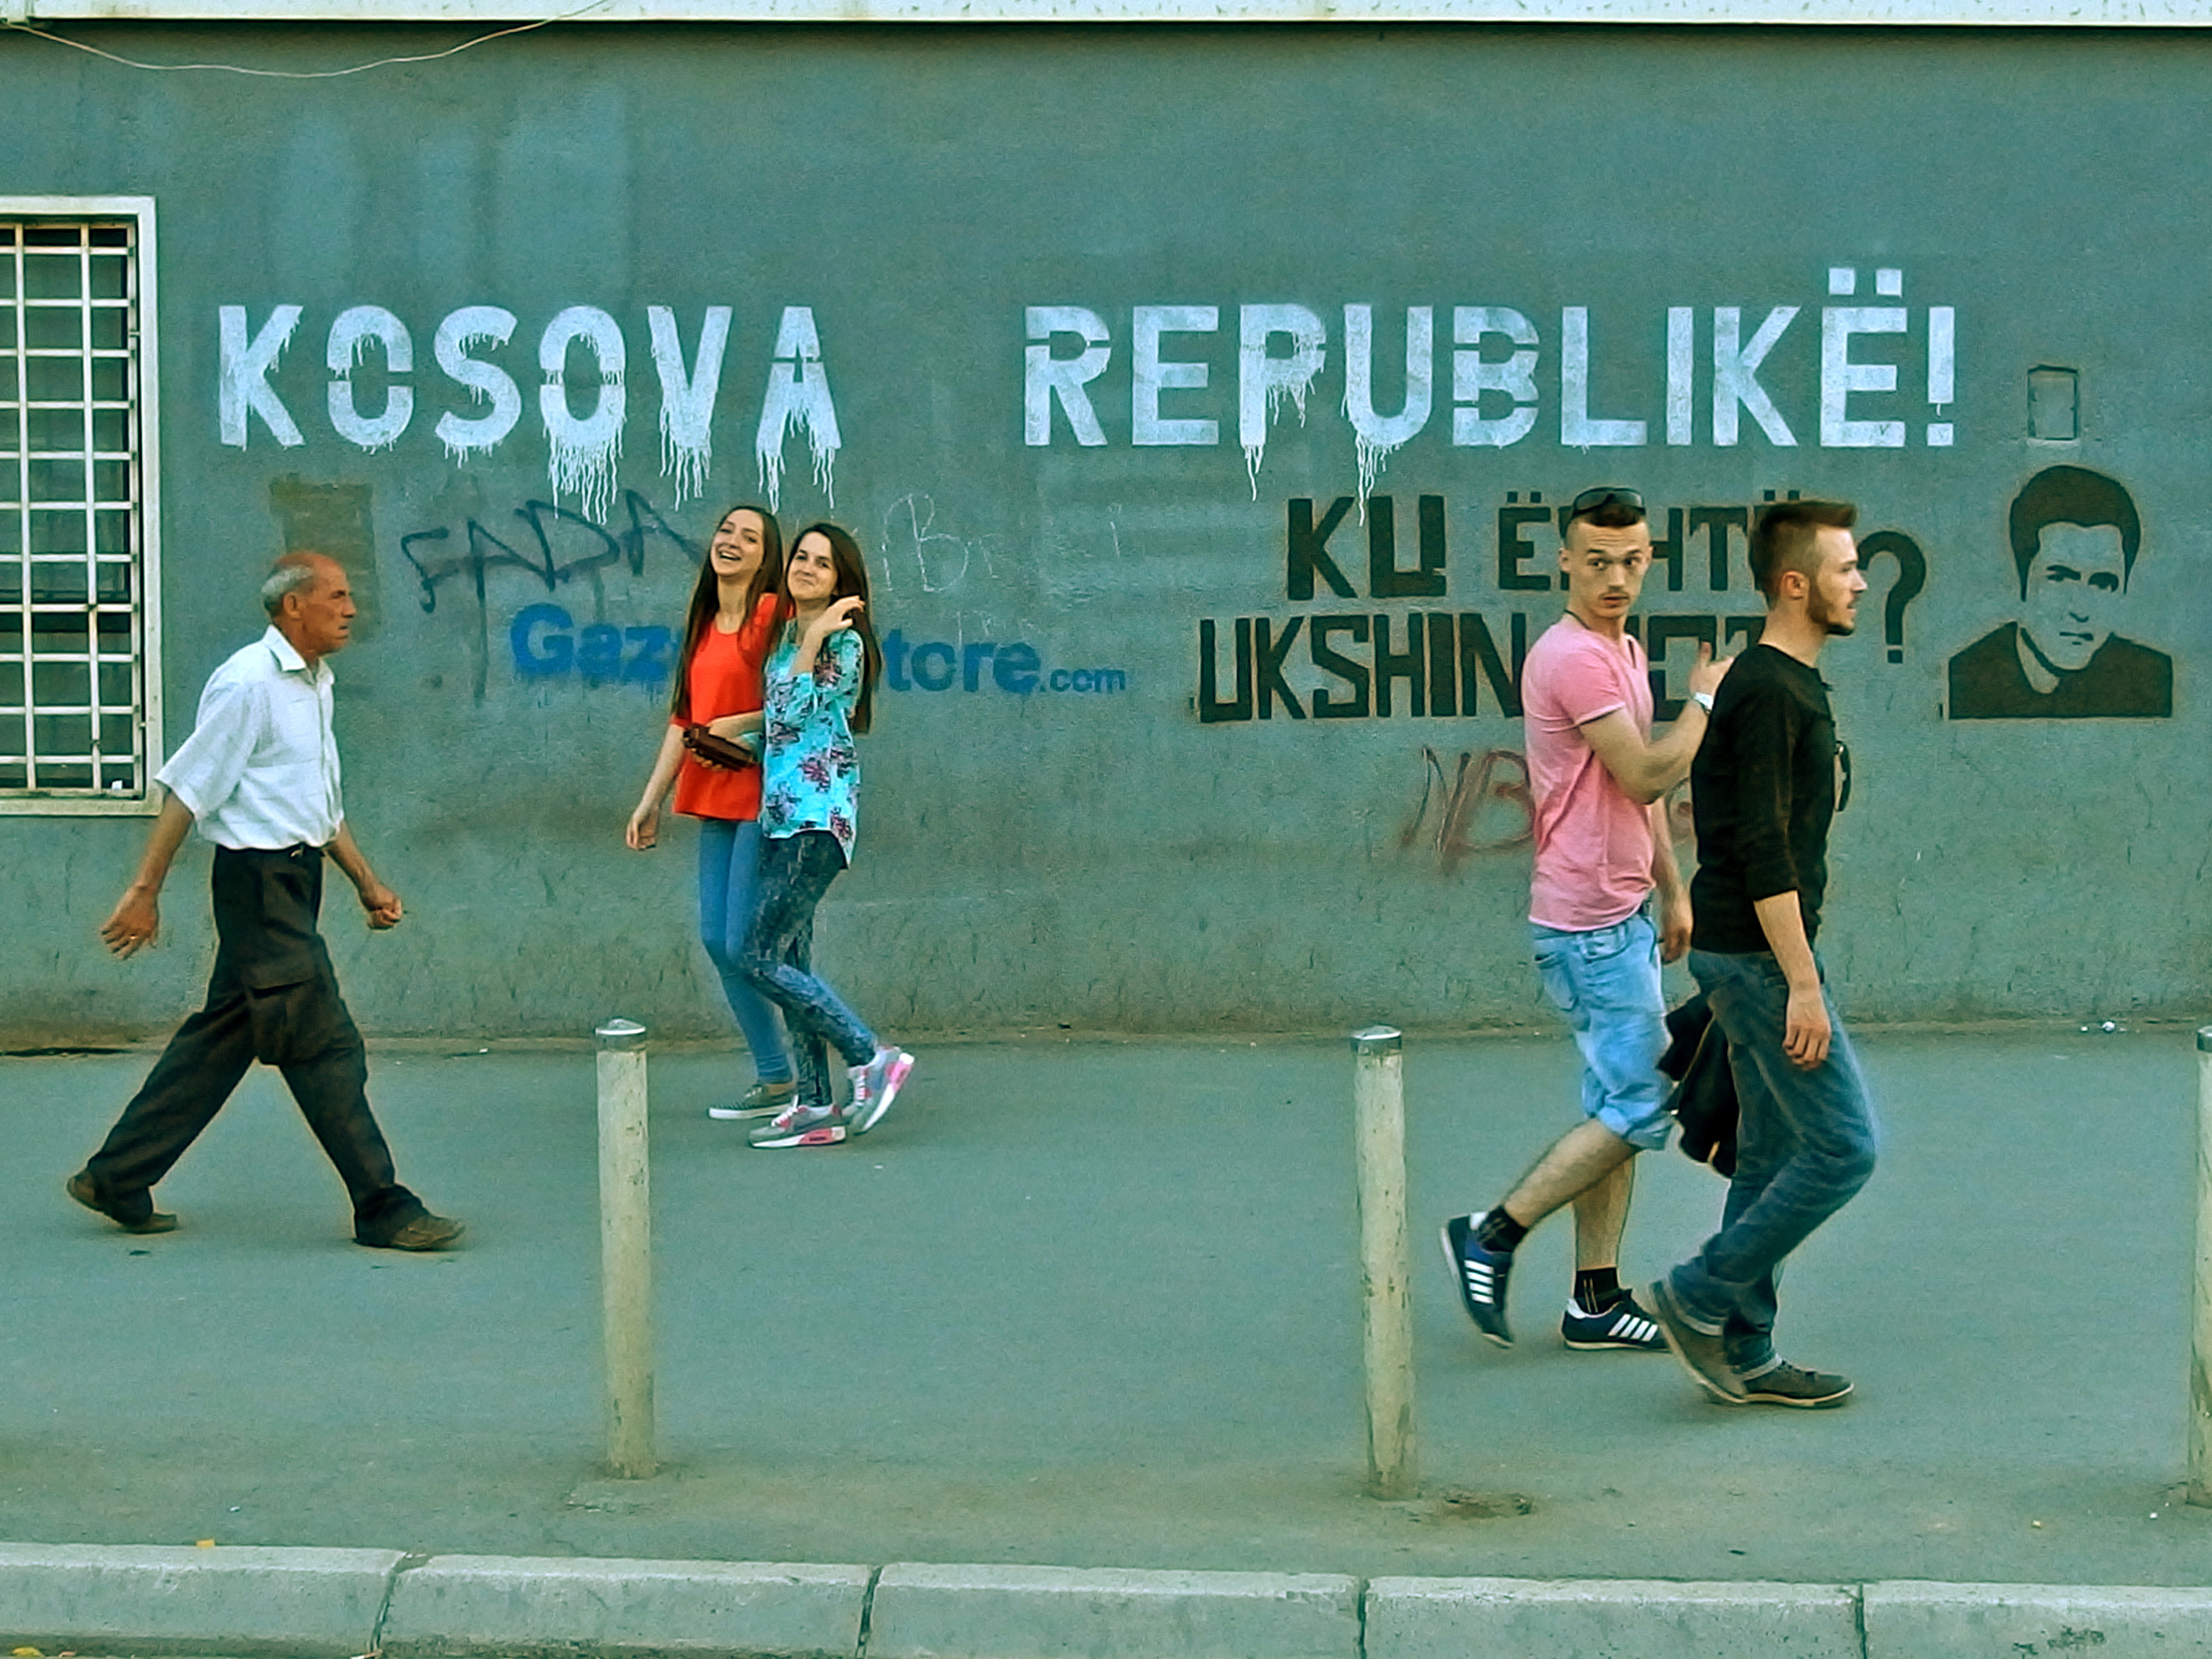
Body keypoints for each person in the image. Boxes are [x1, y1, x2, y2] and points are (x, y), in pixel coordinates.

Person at [67, 553, 461, 1250]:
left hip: (294, 879)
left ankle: (116, 1174)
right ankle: (382, 1203)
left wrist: (364, 879)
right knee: (324, 1042)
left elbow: (318, 802)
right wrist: (144, 890)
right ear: (292, 608)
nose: (351, 608)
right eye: (336, 596)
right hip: (258, 887)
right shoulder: (248, 683)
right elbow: (188, 788)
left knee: (225, 1036)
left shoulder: (315, 683)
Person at [1441, 486, 1729, 1353]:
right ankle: (1491, 1232)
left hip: (1621, 913)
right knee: (1641, 1104)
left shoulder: (1619, 648)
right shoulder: (1570, 657)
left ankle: (1594, 1300)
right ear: (1562, 560)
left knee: (1617, 1106)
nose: (1613, 576)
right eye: (1594, 560)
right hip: (1587, 928)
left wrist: (1670, 889)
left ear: (1647, 561)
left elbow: (1626, 797)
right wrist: (1703, 703)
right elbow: (1646, 775)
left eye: (1629, 560)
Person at [1646, 499, 1876, 1409]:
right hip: (1754, 960)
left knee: (1771, 1150)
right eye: (1844, 568)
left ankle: (1744, 1346)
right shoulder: (1768, 689)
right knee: (1842, 1148)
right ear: (1795, 584)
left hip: (1748, 954)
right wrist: (1802, 983)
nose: (1859, 581)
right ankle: (1696, 1293)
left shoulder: (1785, 684)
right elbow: (1763, 847)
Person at [738, 522, 915, 1149]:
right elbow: (786, 730)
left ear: (843, 580)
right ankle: (816, 1105)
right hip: (782, 815)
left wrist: (814, 634)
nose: (807, 567)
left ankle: (871, 1056)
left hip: (817, 818)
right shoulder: (791, 637)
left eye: (822, 562)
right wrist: (727, 737)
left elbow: (795, 711)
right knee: (789, 961)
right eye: (801, 556)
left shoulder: (840, 642)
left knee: (753, 953)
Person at [626, 503, 799, 1121]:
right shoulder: (703, 621)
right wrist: (650, 798)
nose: (732, 541)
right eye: (727, 530)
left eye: (749, 537)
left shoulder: (773, 614)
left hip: (761, 796)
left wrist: (739, 723)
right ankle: (776, 1075)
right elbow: (684, 716)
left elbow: (803, 697)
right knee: (715, 938)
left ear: (764, 556)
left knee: (742, 940)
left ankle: (826, 1055)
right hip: (710, 795)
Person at [1948, 465, 2170, 719]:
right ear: (2022, 579)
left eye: (2103, 584)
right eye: (2059, 578)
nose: (2080, 610)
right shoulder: (1966, 675)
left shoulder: (2151, 679)